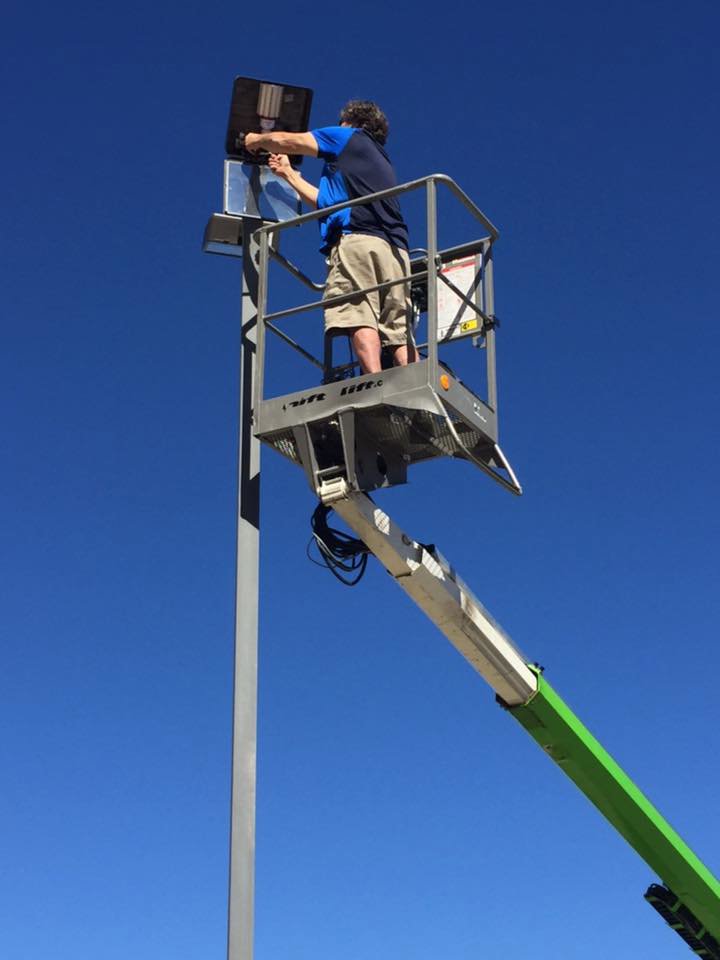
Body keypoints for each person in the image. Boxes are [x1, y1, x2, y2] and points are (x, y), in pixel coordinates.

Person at [244, 101, 416, 375]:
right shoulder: (378, 160)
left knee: (359, 312)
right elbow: (329, 204)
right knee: (397, 326)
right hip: (396, 251)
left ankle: (374, 381)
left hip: (358, 241)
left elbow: (288, 141)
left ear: (351, 121)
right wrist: (288, 174)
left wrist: (256, 140)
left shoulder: (347, 136)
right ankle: (412, 384)